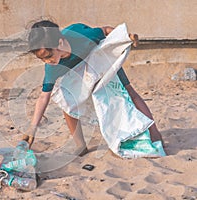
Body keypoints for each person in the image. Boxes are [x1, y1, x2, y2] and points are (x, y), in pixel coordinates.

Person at [22, 19, 164, 156]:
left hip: (102, 63)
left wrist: (126, 38)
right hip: (81, 75)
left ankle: (154, 132)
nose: (47, 61)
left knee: (129, 92)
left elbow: (106, 30)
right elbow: (43, 97)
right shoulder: (52, 67)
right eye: (42, 59)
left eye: (49, 56)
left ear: (60, 43)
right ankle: (80, 145)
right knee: (67, 102)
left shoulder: (81, 35)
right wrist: (32, 128)